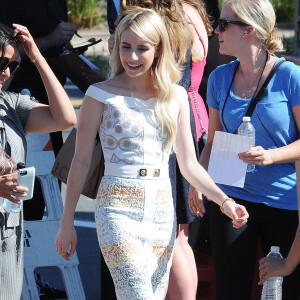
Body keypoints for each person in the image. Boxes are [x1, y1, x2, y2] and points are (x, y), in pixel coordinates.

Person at [55, 8, 248, 300]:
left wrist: (225, 202)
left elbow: (189, 165)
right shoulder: (99, 94)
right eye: (126, 47)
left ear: (158, 50)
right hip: (116, 209)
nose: (132, 57)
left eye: (142, 48)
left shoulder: (176, 97)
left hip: (161, 210)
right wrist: (66, 222)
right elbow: (81, 161)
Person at [194, 0, 300, 299]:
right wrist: (198, 181)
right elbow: (212, 142)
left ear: (249, 30)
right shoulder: (219, 77)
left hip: (285, 200)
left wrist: (271, 156)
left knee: (286, 290)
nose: (216, 30)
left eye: (224, 24)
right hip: (232, 197)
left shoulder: (289, 76)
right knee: (230, 289)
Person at [0, 23, 76, 300]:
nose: (6, 72)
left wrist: (37, 57)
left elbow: (65, 118)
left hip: (7, 236)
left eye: (13, 65)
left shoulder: (10, 105)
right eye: (1, 62)